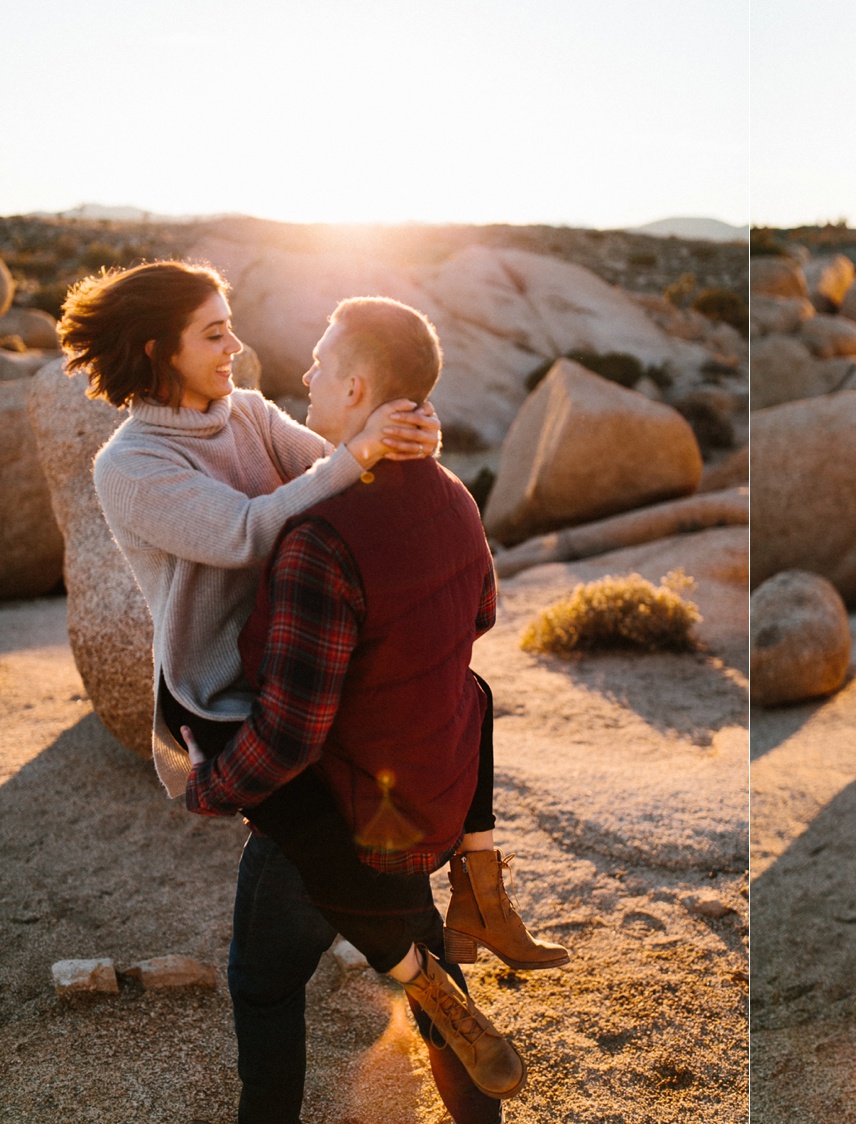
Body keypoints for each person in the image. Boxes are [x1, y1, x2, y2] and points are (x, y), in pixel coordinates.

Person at [60, 265, 563, 1121]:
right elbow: (247, 529)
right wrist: (366, 447)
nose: (237, 345)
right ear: (157, 350)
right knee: (352, 855)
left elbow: (339, 466)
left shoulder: (251, 412)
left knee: (272, 960)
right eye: (214, 332)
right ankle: (452, 936)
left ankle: (430, 960)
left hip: (303, 684)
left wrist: (404, 434)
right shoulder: (131, 465)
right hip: (223, 690)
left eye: (230, 324)